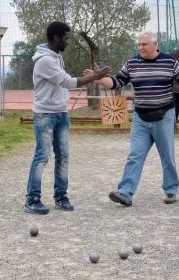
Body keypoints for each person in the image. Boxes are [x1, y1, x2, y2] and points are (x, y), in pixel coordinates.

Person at [86, 31, 179, 206]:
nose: (140, 47)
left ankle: (171, 190)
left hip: (164, 117)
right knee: (134, 155)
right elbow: (117, 81)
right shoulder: (132, 64)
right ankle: (125, 192)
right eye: (138, 44)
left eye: (144, 44)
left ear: (155, 45)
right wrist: (97, 79)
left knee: (167, 156)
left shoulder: (169, 61)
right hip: (140, 118)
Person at [24, 21, 111, 214]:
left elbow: (63, 79)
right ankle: (32, 199)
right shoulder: (45, 60)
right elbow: (67, 82)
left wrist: (92, 76)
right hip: (45, 114)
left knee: (63, 156)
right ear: (56, 38)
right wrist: (95, 76)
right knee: (42, 157)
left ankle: (61, 197)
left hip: (61, 113)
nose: (68, 42)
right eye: (66, 38)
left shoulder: (56, 57)